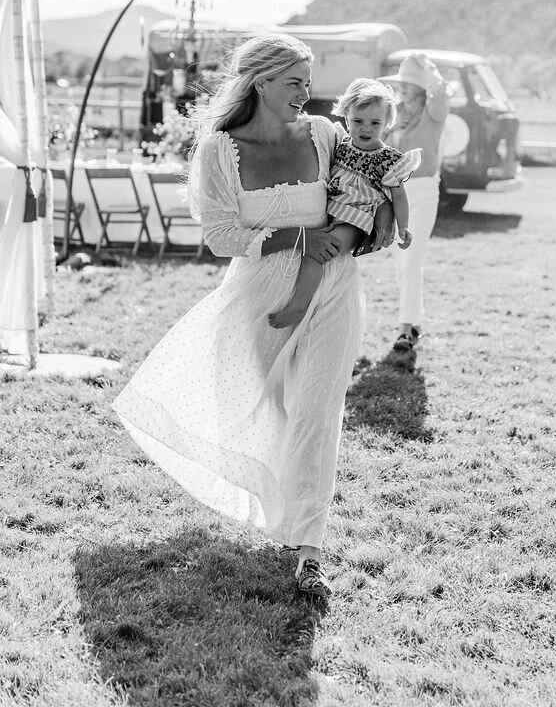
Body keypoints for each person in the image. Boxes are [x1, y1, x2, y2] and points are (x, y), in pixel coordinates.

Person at [111, 34, 394, 599]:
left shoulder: (323, 134)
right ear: (261, 82)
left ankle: (309, 549)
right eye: (294, 83)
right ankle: (282, 507)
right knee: (273, 409)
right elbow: (220, 236)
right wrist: (296, 236)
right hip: (259, 295)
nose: (306, 93)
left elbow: (366, 179)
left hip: (333, 286)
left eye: (308, 83)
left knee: (318, 412)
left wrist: (384, 211)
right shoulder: (220, 150)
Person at [268, 77, 422, 328]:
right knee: (305, 247)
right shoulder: (341, 144)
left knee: (316, 253)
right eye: (358, 121)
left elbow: (399, 196)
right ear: (346, 118)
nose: (366, 129)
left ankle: (299, 306)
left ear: (387, 123)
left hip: (356, 220)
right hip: (331, 212)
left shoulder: (387, 160)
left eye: (375, 123)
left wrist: (403, 225)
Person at [383, 52, 451, 351]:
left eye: (411, 88)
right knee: (403, 262)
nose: (405, 94)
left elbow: (441, 91)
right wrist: (394, 127)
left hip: (423, 191)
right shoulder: (394, 113)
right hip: (394, 192)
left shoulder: (434, 113)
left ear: (423, 90)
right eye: (403, 87)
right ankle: (413, 322)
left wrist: (429, 68)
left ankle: (404, 329)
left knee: (411, 259)